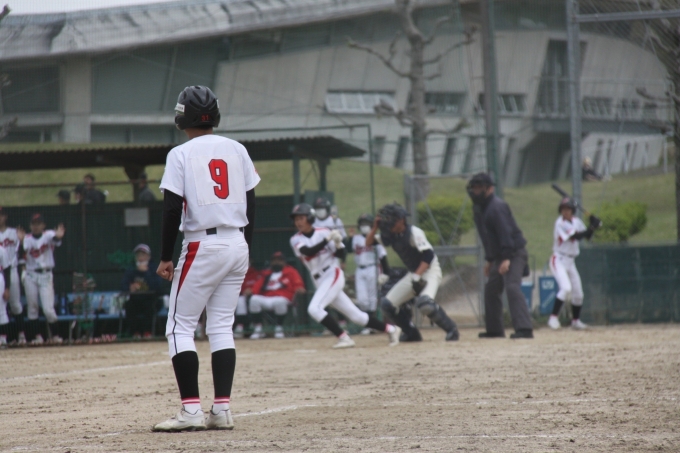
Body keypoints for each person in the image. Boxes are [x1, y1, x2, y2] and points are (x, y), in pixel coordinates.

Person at [153, 85, 258, 432]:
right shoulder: (237, 149)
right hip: (237, 242)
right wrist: (246, 246)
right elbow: (251, 202)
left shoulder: (180, 154)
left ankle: (191, 411)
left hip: (203, 243)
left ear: (181, 118)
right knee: (221, 326)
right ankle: (222, 409)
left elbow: (172, 209)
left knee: (179, 327)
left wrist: (165, 256)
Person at [289, 203, 400, 349]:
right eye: (296, 219)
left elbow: (341, 254)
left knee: (314, 309)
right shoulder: (296, 239)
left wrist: (338, 242)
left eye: (301, 218)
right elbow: (308, 251)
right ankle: (392, 329)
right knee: (357, 316)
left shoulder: (324, 232)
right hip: (318, 280)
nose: (298, 222)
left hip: (331, 274)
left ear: (310, 218)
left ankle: (343, 337)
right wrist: (328, 240)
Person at [366, 203, 460, 342]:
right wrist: (375, 227)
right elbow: (368, 243)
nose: (389, 222)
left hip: (430, 270)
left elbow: (428, 255)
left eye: (392, 219)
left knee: (425, 304)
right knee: (387, 305)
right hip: (413, 272)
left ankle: (451, 330)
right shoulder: (391, 234)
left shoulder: (414, 232)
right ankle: (411, 333)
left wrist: (417, 276)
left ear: (401, 220)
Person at [467, 172, 533, 339]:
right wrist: (490, 260)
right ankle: (495, 330)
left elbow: (506, 234)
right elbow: (488, 239)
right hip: (500, 255)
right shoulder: (479, 209)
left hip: (514, 253)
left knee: (512, 286)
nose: (476, 191)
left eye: (479, 187)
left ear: (490, 189)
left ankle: (525, 329)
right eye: (474, 188)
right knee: (491, 289)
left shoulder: (497, 207)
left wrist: (507, 259)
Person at [548, 198, 601, 330]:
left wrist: (593, 225)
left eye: (568, 209)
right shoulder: (560, 223)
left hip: (571, 261)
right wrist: (592, 226)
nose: (565, 211)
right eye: (563, 209)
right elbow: (576, 236)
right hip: (559, 259)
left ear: (573, 211)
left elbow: (587, 236)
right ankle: (553, 318)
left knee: (578, 294)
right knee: (566, 288)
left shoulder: (577, 221)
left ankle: (575, 321)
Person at [18, 213, 65, 345]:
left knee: (48, 309)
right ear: (30, 226)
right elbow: (21, 256)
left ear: (43, 225)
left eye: (38, 224)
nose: (36, 226)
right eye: (33, 224)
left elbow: (56, 240)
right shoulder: (26, 239)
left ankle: (56, 336)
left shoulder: (48, 235)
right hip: (31, 274)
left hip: (46, 273)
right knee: (32, 308)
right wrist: (21, 242)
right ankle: (36, 337)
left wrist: (58, 236)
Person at [347, 214, 390, 335]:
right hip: (360, 270)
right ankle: (370, 324)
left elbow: (383, 256)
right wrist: (350, 238)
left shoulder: (376, 239)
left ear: (371, 225)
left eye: (366, 224)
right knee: (362, 300)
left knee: (372, 299)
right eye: (362, 224)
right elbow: (348, 250)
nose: (364, 226)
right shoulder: (356, 238)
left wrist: (386, 273)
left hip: (373, 268)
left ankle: (371, 326)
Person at [248, 251, 305, 340]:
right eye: (274, 260)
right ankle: (258, 329)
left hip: (283, 297)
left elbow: (298, 284)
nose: (276, 262)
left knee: (279, 301)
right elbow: (256, 287)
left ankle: (279, 328)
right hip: (267, 297)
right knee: (254, 299)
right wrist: (251, 291)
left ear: (284, 262)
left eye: (279, 260)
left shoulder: (291, 271)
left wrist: (299, 288)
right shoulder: (266, 273)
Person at [121, 244, 162, 339]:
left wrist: (146, 273)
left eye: (143, 255)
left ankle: (148, 332)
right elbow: (123, 286)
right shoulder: (131, 270)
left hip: (151, 299)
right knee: (129, 306)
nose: (140, 257)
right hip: (135, 300)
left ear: (148, 257)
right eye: (138, 255)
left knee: (150, 307)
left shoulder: (154, 269)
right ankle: (135, 333)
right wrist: (130, 288)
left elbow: (158, 287)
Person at [0, 207, 25, 345]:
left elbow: (24, 251)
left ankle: (21, 336)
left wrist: (22, 241)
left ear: (5, 217)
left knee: (15, 305)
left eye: (1, 215)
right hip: (0, 271)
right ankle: (4, 338)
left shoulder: (14, 232)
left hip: (12, 270)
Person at [233, 263, 260, 339]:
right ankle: (240, 326)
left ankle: (257, 327)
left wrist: (252, 290)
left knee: (254, 300)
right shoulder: (238, 273)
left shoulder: (256, 273)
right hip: (242, 297)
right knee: (240, 300)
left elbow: (260, 285)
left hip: (255, 296)